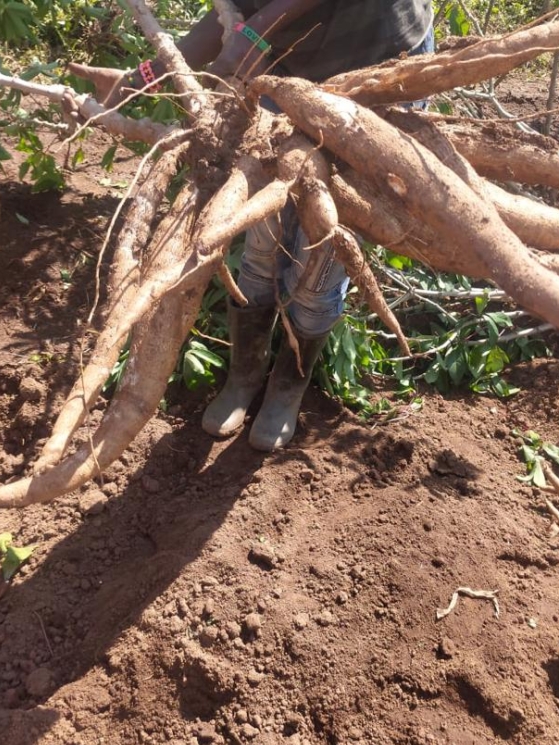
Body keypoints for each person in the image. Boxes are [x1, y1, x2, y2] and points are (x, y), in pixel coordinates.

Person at [70, 0, 434, 451]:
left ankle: (288, 385)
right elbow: (233, 7)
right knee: (262, 230)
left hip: (377, 58)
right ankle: (245, 375)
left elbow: (253, 17)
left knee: (324, 246)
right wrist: (140, 81)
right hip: (283, 67)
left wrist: (258, 30)